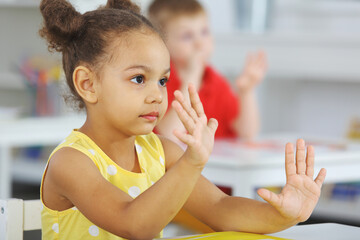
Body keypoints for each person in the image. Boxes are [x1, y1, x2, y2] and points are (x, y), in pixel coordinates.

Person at [38, 0, 326, 239]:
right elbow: (133, 225)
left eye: (163, 80)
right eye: (139, 78)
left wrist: (284, 214)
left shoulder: (162, 152)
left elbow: (220, 209)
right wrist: (192, 162)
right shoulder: (71, 162)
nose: (157, 95)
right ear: (88, 84)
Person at [148, 0, 267, 142]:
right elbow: (169, 136)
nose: (199, 43)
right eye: (187, 36)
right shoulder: (159, 81)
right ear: (161, 42)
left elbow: (247, 133)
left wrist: (246, 91)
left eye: (204, 32)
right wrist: (191, 78)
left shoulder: (215, 80)